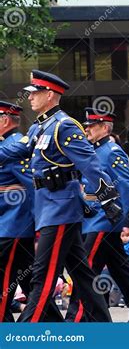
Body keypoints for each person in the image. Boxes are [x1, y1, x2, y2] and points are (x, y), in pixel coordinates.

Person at [0, 70, 121, 322]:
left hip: (60, 209)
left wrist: (108, 198)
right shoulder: (39, 127)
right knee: (83, 276)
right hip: (49, 209)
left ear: (50, 94)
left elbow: (90, 165)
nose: (30, 97)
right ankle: (104, 326)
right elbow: (14, 152)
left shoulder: (64, 126)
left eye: (35, 93)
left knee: (42, 277)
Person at [65, 107, 129, 322]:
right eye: (86, 126)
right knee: (122, 270)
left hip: (103, 220)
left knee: (85, 270)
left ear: (104, 128)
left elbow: (124, 186)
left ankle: (74, 319)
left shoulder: (112, 151)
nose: (87, 129)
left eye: (91, 126)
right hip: (95, 218)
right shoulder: (93, 150)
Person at [0, 101, 36, 322]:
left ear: (5, 120)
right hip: (8, 224)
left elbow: (33, 186)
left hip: (13, 224)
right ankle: (53, 322)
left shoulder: (14, 147)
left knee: (3, 280)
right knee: (30, 279)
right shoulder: (7, 145)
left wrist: (36, 222)